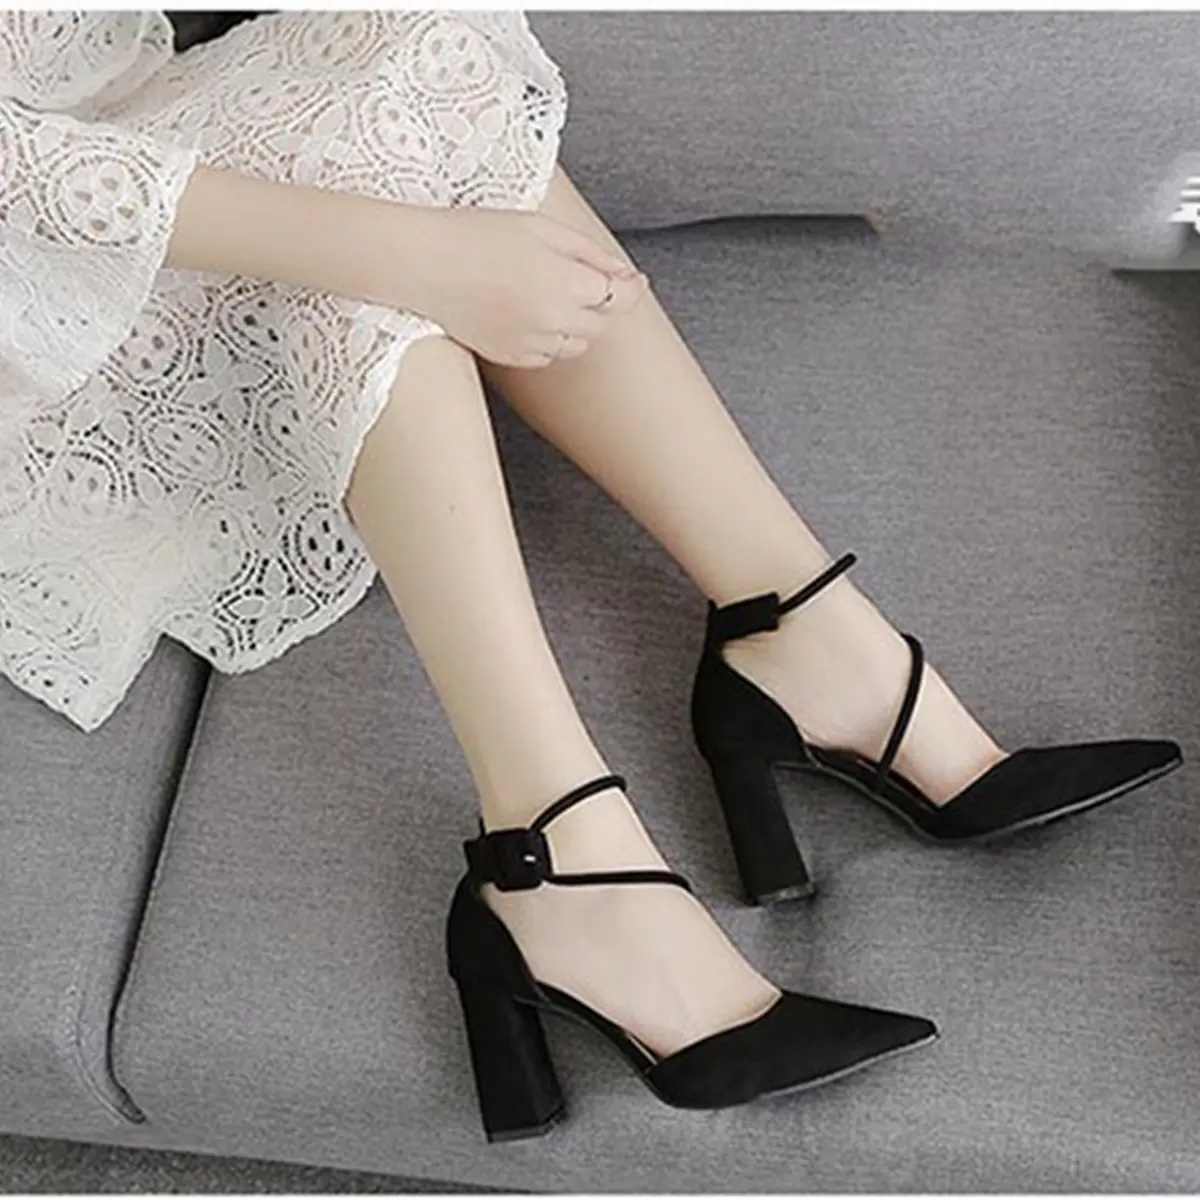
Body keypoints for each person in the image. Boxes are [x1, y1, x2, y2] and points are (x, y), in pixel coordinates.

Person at [0, 9, 1181, 1141]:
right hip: (38, 288)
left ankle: (798, 625)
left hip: (139, 144)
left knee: (422, 50)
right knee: (365, 276)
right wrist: (431, 257)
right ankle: (558, 852)